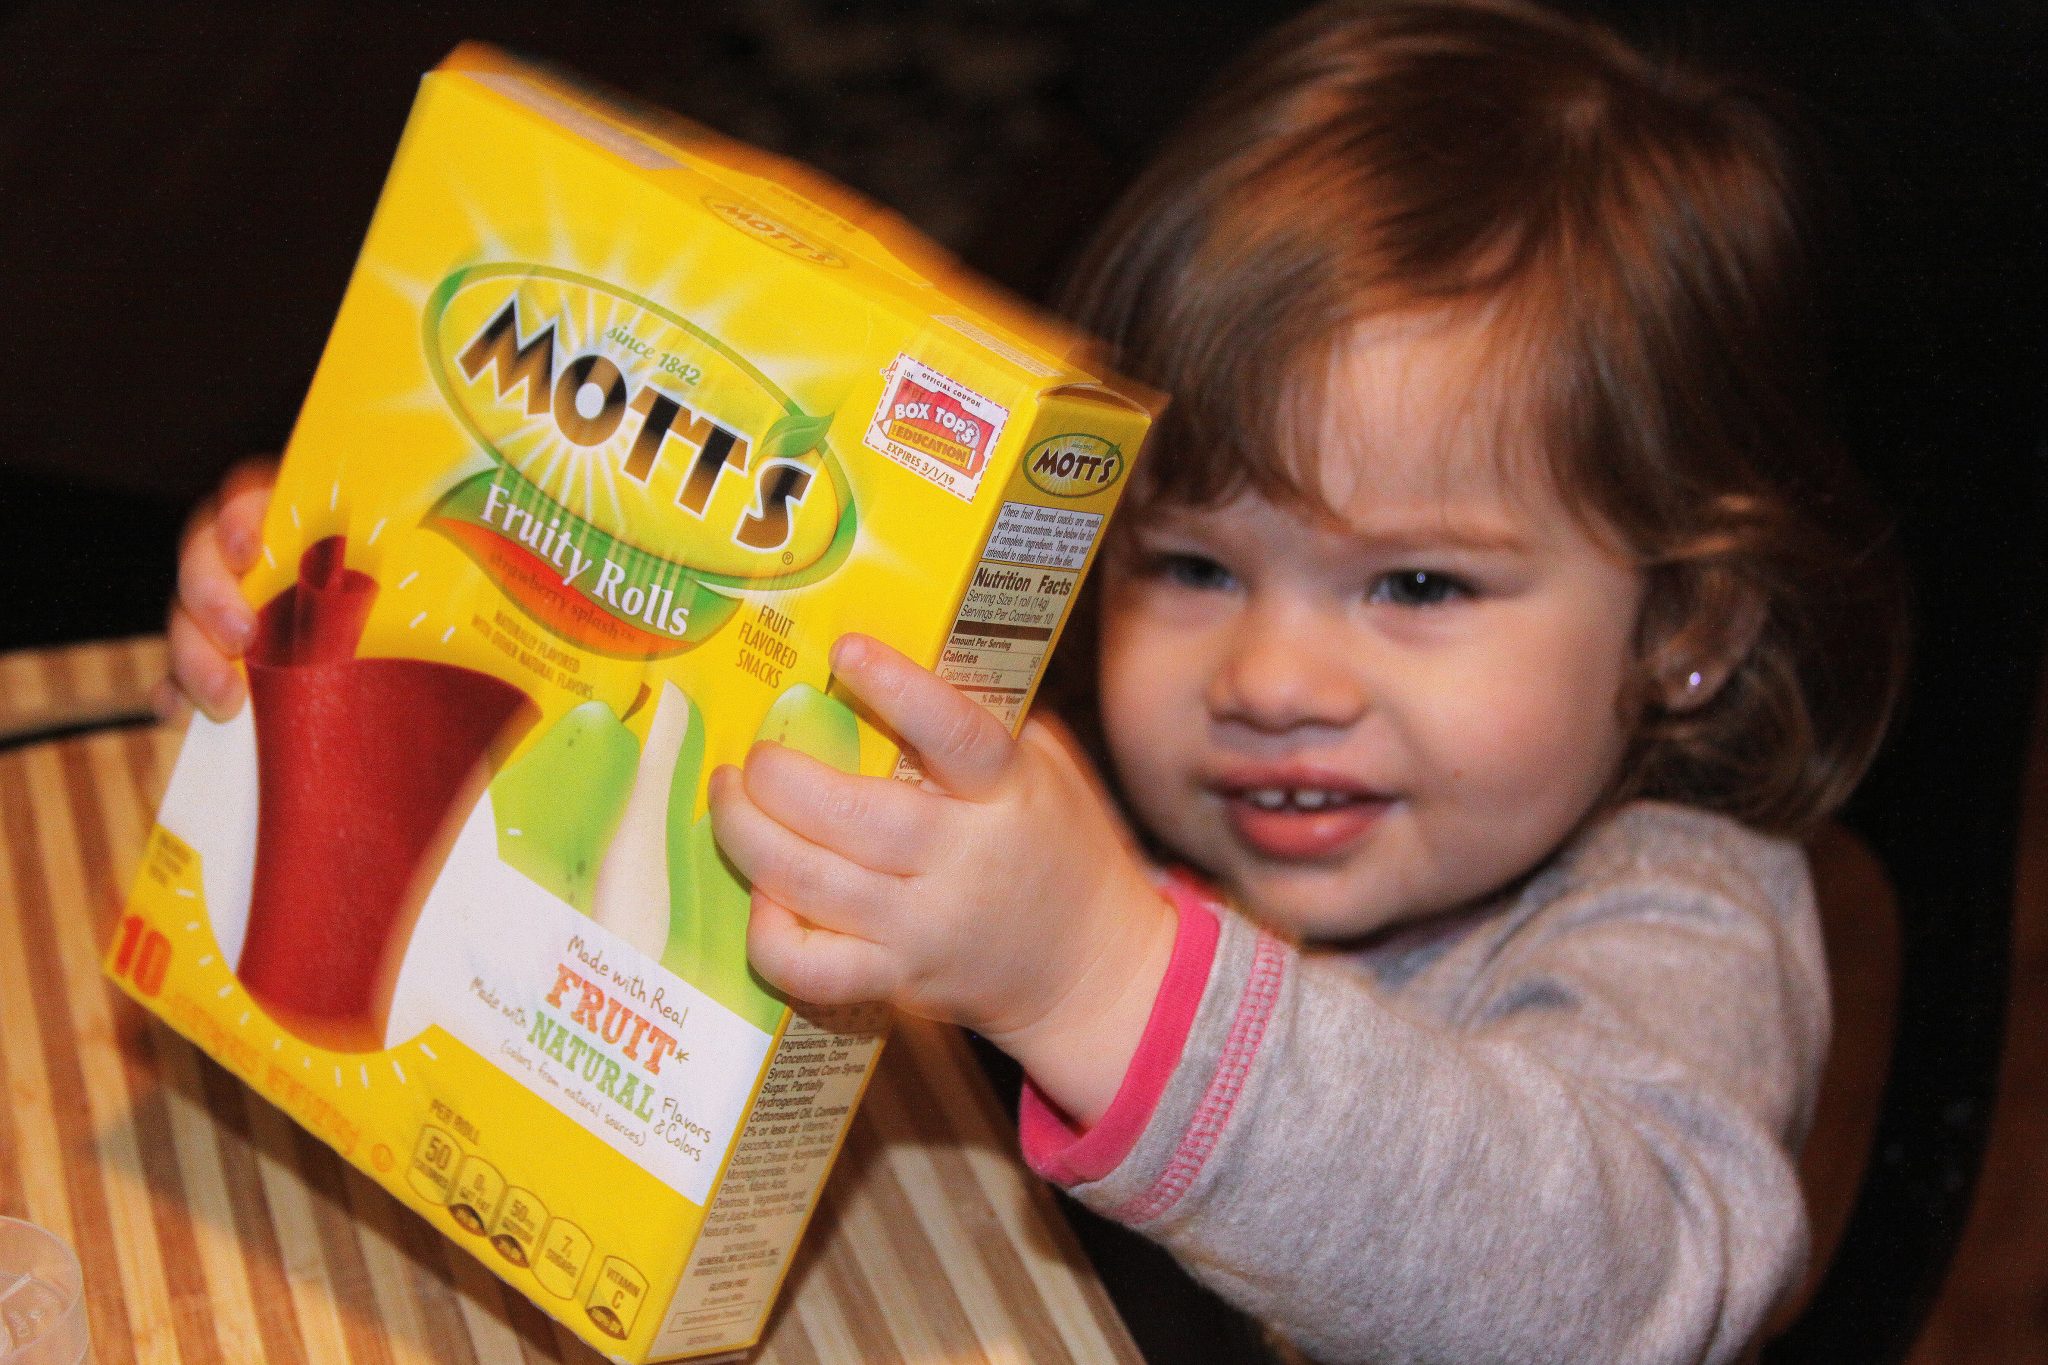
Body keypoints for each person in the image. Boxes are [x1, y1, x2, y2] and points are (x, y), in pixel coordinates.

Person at [165, 1, 1908, 1358]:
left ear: (1692, 623)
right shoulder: (1109, 798)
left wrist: (1098, 966)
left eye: (1422, 582)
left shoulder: (1686, 921)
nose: (1274, 673)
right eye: (1195, 564)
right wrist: (320, 664)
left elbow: (1604, 1299)